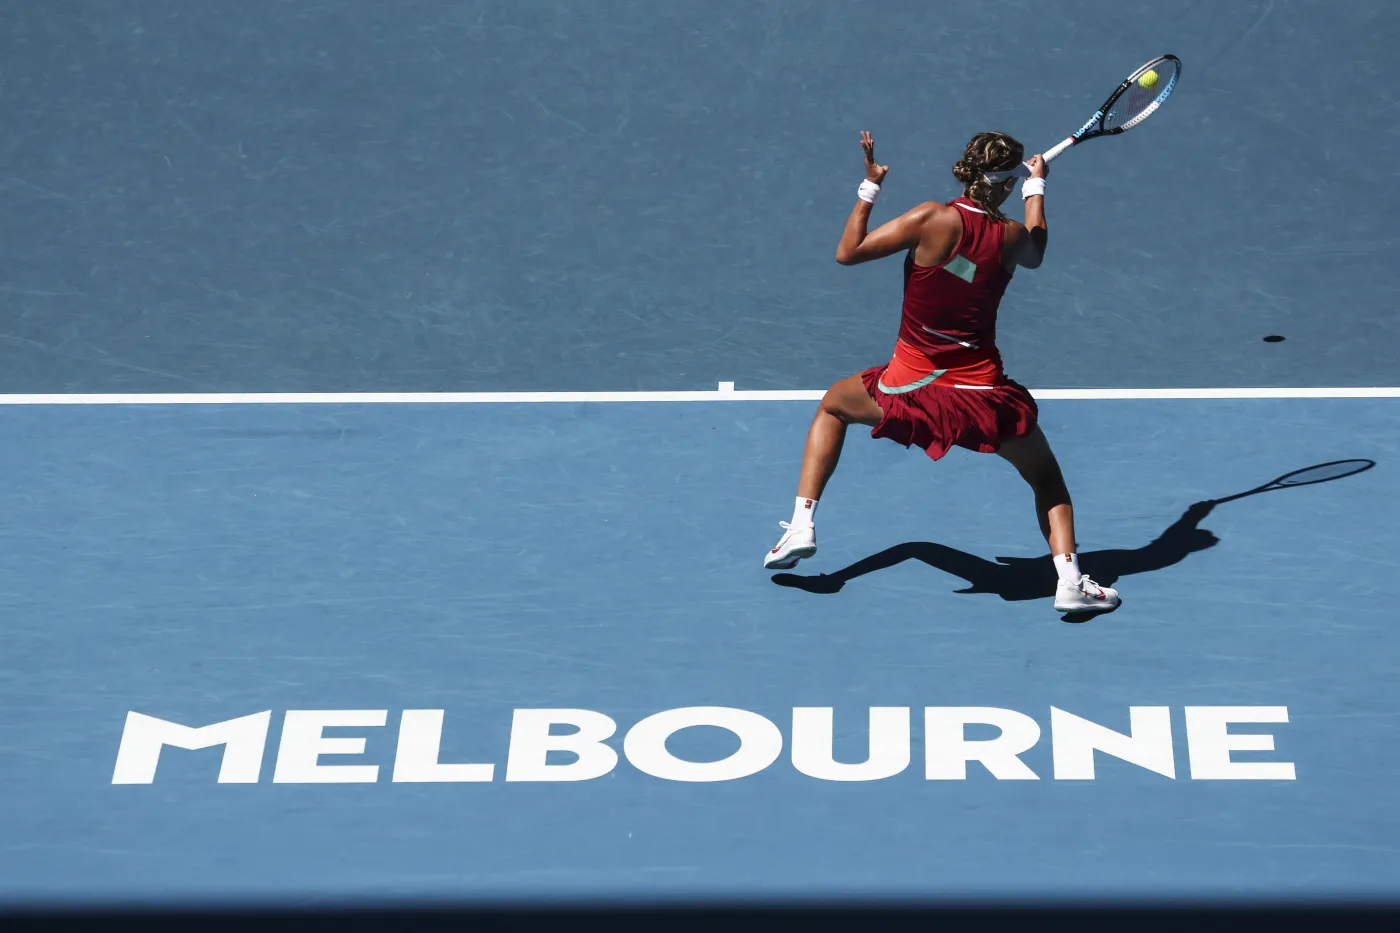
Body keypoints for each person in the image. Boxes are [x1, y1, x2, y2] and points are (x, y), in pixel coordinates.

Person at [764, 130, 1121, 615]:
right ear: (1007, 183)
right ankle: (1071, 583)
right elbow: (1036, 251)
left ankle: (801, 526)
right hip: (983, 399)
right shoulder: (1013, 236)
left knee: (833, 406)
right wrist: (1036, 188)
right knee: (1046, 479)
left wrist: (870, 187)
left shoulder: (930, 218)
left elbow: (848, 252)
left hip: (907, 390)